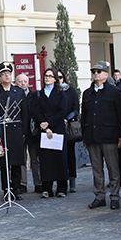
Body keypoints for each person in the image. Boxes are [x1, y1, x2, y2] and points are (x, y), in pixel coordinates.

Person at [82, 61, 121, 209]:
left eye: (99, 72)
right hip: (93, 136)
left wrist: (120, 136)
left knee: (113, 168)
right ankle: (99, 196)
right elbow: (85, 116)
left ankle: (114, 196)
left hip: (109, 135)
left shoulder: (115, 92)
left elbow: (120, 115)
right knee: (96, 169)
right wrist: (85, 137)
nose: (96, 74)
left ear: (106, 74)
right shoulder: (87, 93)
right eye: (94, 72)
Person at [0, 62, 28, 198]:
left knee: (17, 162)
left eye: (8, 74)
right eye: (3, 74)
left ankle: (16, 189)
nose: (7, 76)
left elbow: (24, 113)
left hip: (16, 132)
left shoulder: (18, 91)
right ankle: (6, 189)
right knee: (4, 164)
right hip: (2, 132)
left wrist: (25, 132)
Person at [33, 67, 69, 198]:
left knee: (60, 159)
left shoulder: (61, 94)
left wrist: (49, 123)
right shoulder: (39, 94)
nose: (47, 78)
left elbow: (61, 111)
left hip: (57, 128)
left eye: (50, 76)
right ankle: (47, 188)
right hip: (44, 130)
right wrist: (44, 125)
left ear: (55, 79)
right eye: (46, 76)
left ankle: (62, 188)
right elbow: (36, 111)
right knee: (46, 159)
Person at [55, 68, 81, 193]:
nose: (60, 80)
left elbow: (76, 108)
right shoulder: (54, 91)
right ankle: (61, 181)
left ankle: (72, 180)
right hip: (56, 127)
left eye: (61, 77)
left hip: (68, 126)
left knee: (70, 154)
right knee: (59, 156)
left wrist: (67, 118)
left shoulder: (70, 91)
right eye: (57, 77)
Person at [18, 72, 42, 193]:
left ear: (28, 83)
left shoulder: (35, 95)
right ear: (16, 83)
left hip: (33, 132)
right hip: (20, 131)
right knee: (22, 159)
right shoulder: (15, 95)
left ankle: (38, 183)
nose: (23, 84)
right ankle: (23, 184)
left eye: (25, 81)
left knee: (35, 159)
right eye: (20, 81)